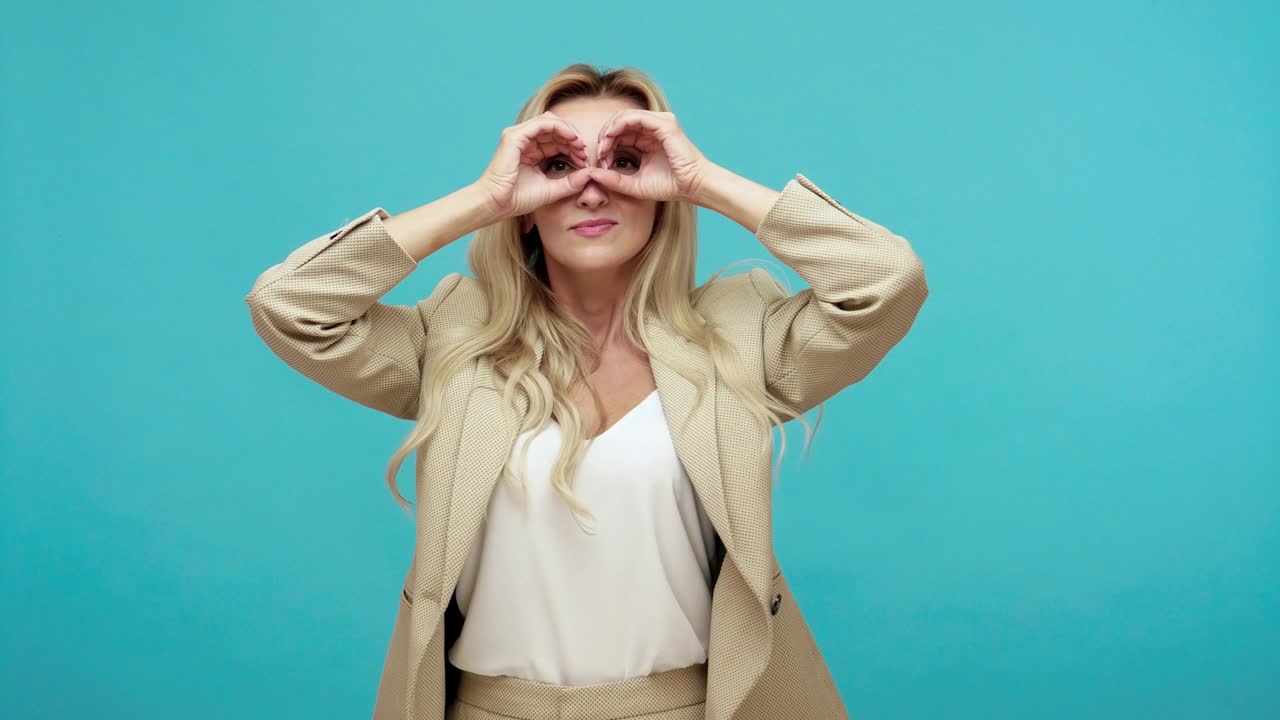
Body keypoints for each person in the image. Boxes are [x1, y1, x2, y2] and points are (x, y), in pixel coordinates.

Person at [244, 63, 929, 720]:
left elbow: (885, 280)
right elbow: (289, 303)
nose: (593, 190)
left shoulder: (736, 335)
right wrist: (484, 200)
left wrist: (704, 180)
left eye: (626, 162)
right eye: (559, 166)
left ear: (663, 196)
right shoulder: (455, 339)